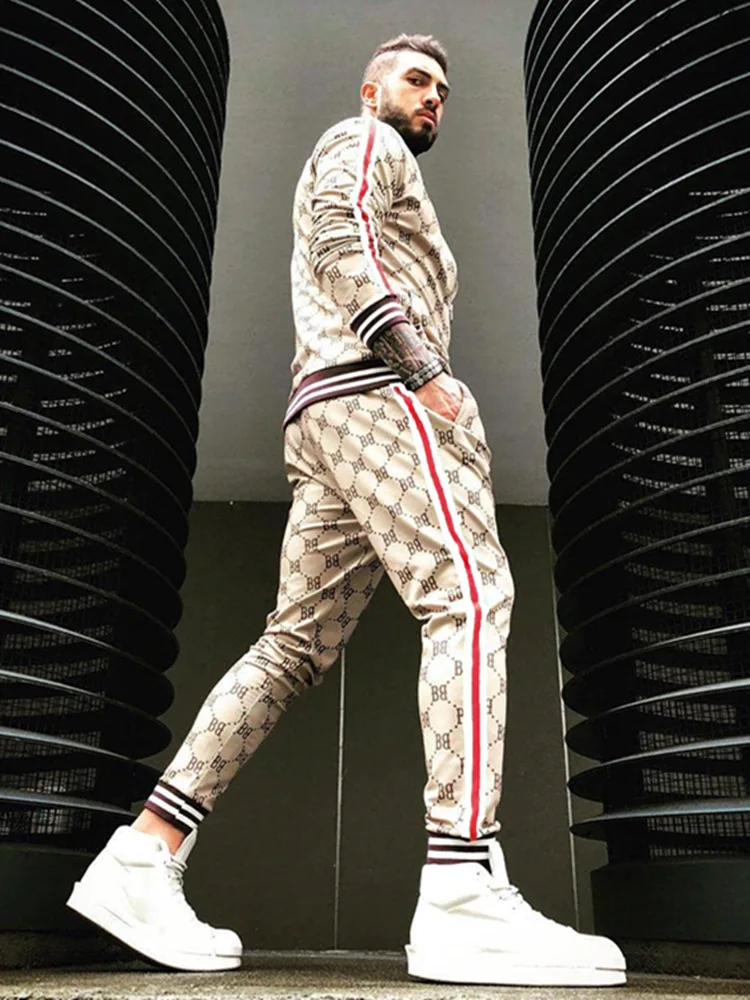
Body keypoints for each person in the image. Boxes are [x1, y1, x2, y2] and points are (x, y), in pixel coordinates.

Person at [67, 33, 627, 987]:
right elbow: (338, 235)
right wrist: (423, 368)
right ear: (372, 91)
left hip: (328, 413)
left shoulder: (387, 156)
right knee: (470, 597)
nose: (433, 96)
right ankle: (462, 887)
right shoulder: (365, 139)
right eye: (416, 79)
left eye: (443, 88)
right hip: (379, 393)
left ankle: (143, 855)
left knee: (293, 646)